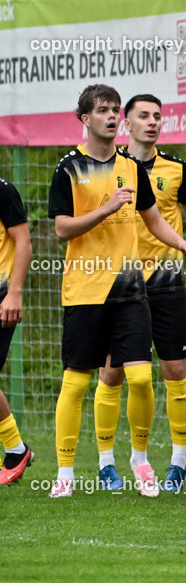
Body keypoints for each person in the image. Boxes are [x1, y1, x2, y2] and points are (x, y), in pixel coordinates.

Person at [47, 84, 186, 498]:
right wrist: (106, 208)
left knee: (141, 378)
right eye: (104, 111)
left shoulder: (132, 167)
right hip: (84, 291)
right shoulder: (69, 168)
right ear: (85, 119)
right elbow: (62, 229)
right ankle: (65, 473)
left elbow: (153, 220)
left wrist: (181, 244)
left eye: (116, 109)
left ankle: (139, 459)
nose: (113, 116)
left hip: (130, 289)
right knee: (77, 383)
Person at [93, 94, 186, 493]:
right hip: (120, 283)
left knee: (174, 370)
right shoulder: (109, 169)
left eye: (158, 116)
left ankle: (178, 462)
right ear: (127, 123)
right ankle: (107, 463)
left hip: (166, 281)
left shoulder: (177, 169)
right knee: (112, 372)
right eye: (143, 116)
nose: (153, 122)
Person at [0, 176, 32, 485]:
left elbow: (23, 241)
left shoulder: (4, 189)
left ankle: (15, 450)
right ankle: (15, 449)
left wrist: (14, 292)